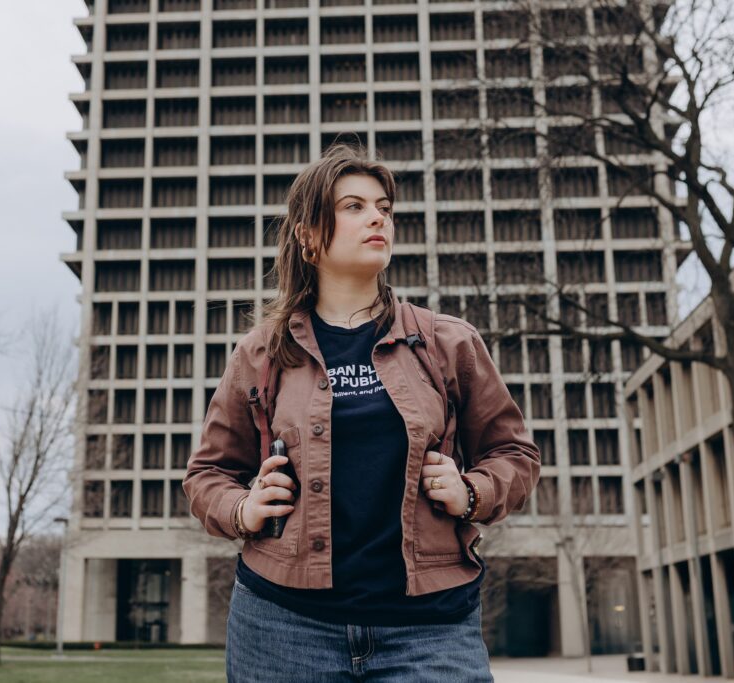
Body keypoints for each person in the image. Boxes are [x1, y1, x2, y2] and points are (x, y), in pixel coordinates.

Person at [184, 144, 541, 682]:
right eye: (353, 206)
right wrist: (242, 508)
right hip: (283, 627)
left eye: (384, 207)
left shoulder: (448, 343)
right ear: (308, 236)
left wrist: (473, 491)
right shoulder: (261, 353)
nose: (378, 217)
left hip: (429, 629)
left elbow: (514, 453)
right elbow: (206, 475)